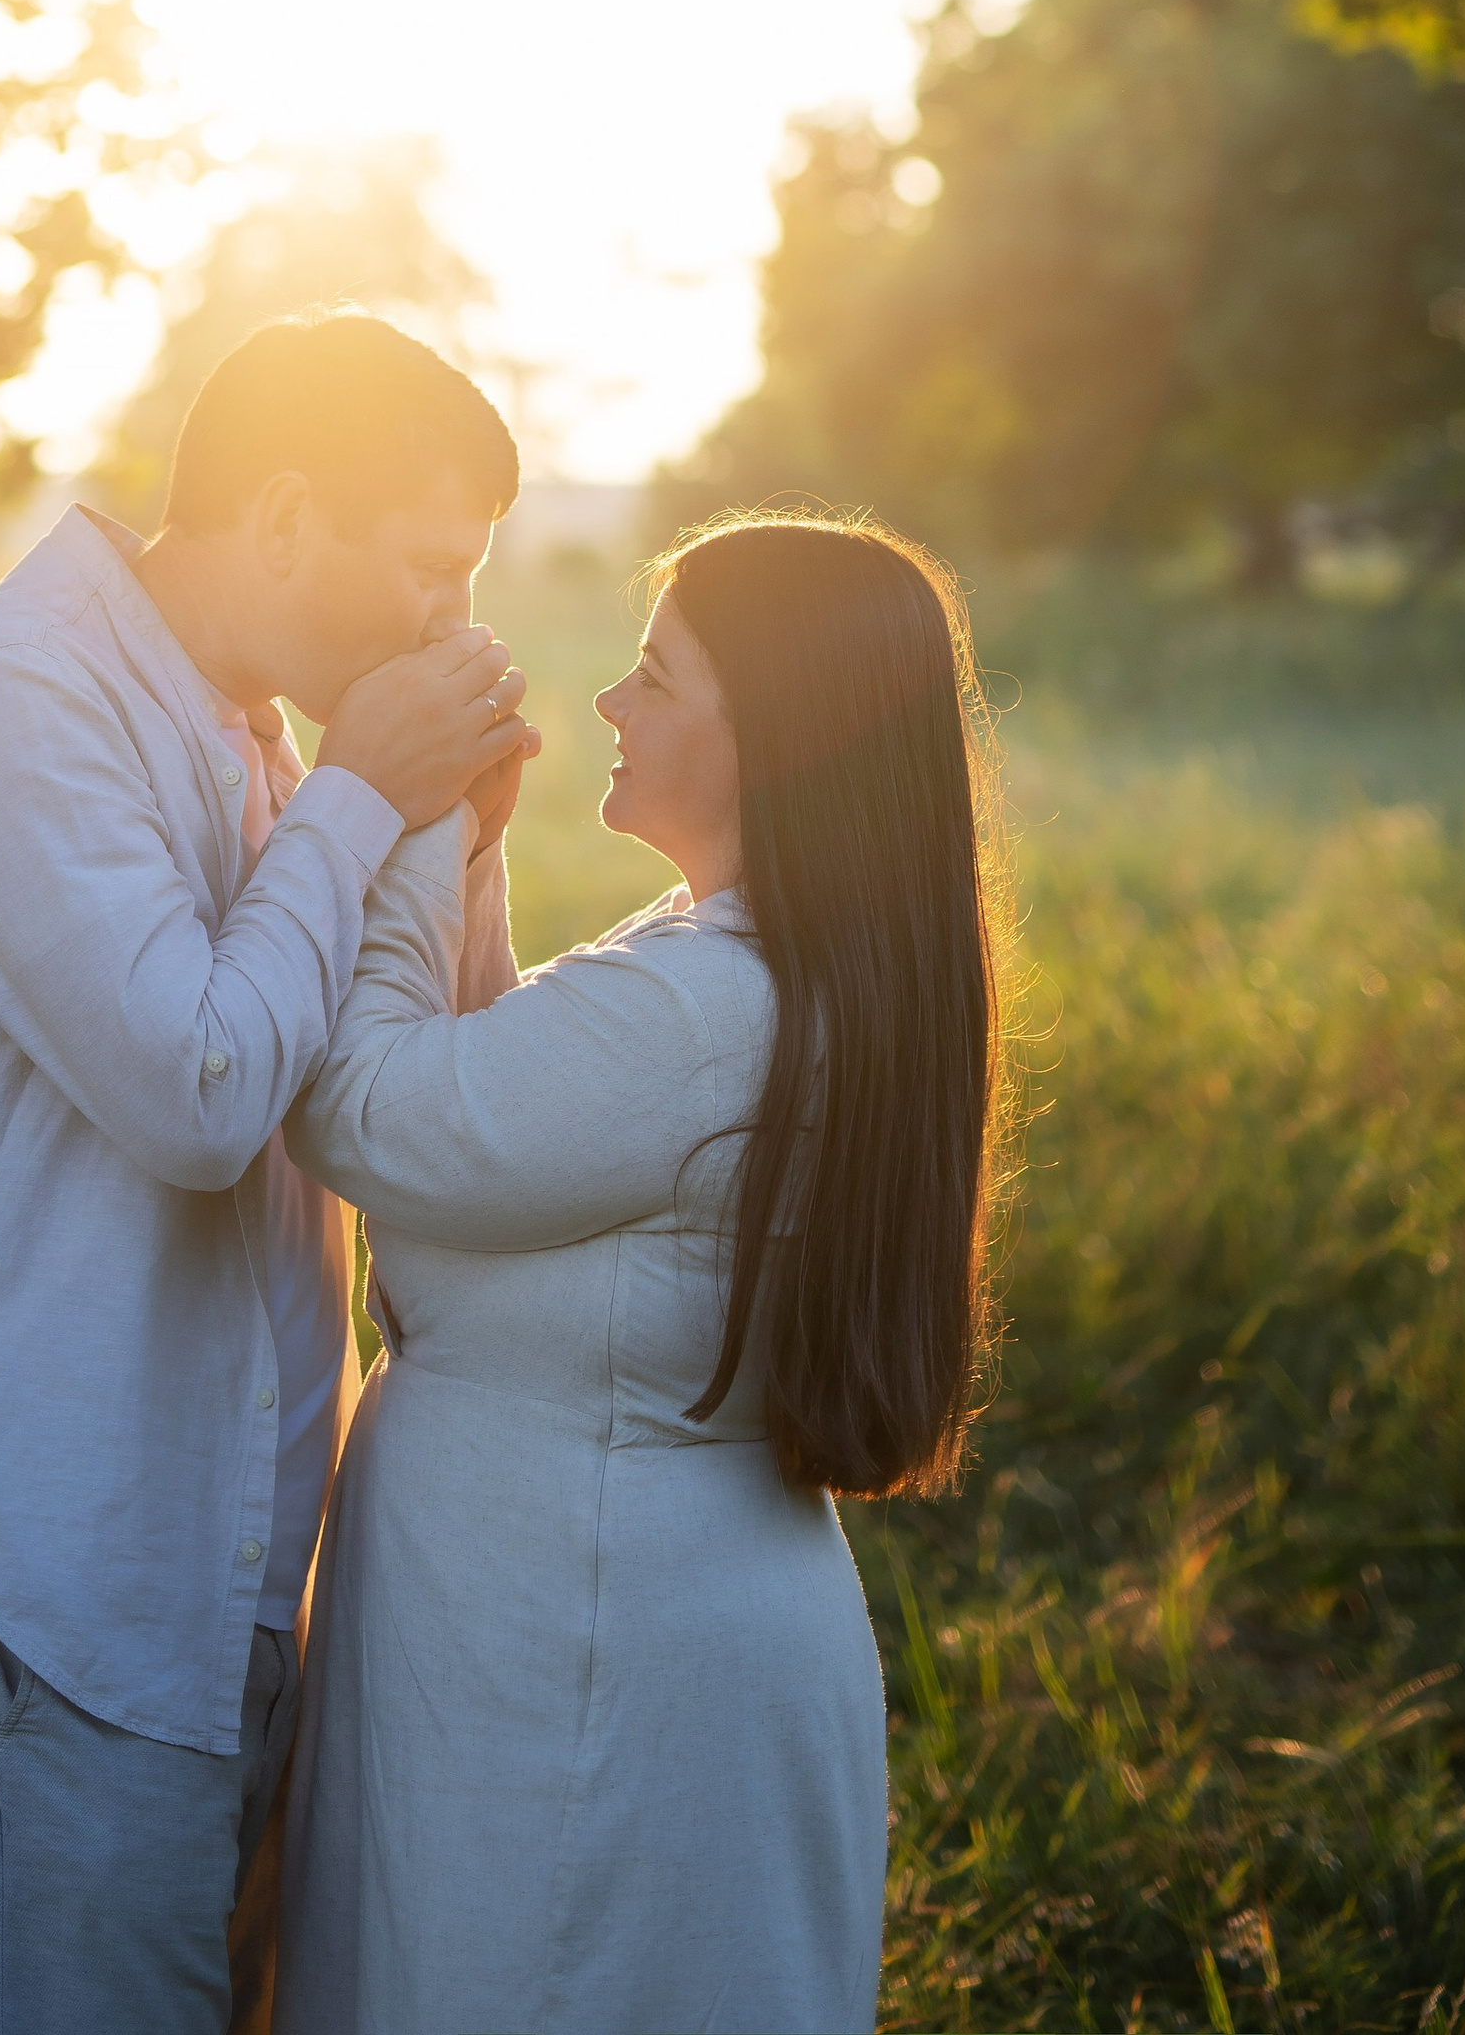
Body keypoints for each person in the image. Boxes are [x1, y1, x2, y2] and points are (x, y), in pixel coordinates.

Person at [0, 310, 538, 2034]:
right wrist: (363, 795)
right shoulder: (20, 700)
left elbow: (406, 1109)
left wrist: (459, 853)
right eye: (430, 569)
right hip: (49, 1585)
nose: (456, 620)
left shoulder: (256, 734)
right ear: (285, 521)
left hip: (221, 1591)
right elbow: (202, 1088)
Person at [276, 507, 1004, 2035]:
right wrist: (471, 855)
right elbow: (505, 1112)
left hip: (582, 1664)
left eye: (657, 678)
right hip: (601, 1627)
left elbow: (372, 1112)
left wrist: (398, 820)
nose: (607, 705)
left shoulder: (703, 1006)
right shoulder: (753, 964)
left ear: (774, 740)